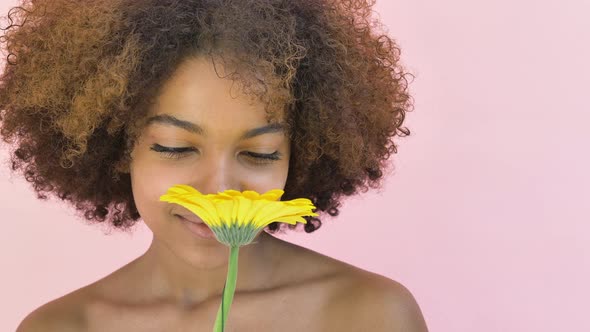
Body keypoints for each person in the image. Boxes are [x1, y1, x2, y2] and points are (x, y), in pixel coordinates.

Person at [0, 0, 428, 330]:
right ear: (114, 148)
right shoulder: (60, 327)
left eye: (259, 154)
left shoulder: (370, 315)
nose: (217, 189)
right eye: (174, 148)